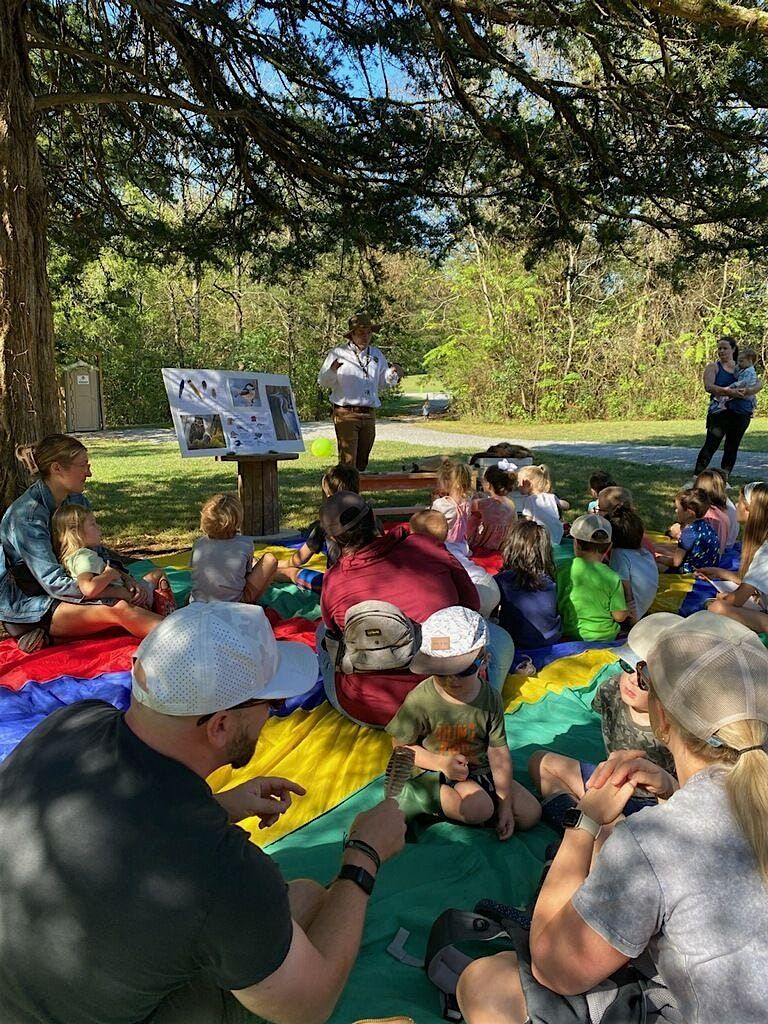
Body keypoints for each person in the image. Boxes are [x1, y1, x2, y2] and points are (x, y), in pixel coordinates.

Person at [0, 601, 406, 1024]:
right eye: (271, 702)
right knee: (304, 900)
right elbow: (309, 1005)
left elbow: (111, 825)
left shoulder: (72, 722)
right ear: (222, 726)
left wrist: (221, 807)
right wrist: (363, 856)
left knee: (287, 904)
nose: (275, 711)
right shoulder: (223, 871)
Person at [456, 617, 768, 1024]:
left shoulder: (656, 842)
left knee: (485, 983)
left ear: (662, 718)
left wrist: (583, 823)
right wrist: (674, 791)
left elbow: (553, 968)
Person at [317, 492, 515, 726]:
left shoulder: (334, 580)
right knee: (499, 639)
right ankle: (483, 700)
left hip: (366, 709)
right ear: (373, 517)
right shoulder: (426, 547)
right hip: (449, 704)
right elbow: (470, 604)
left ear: (332, 538)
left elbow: (334, 638)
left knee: (323, 631)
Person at [387, 607, 541, 839]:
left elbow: (498, 752)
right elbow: (400, 747)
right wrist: (441, 763)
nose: (452, 680)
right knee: (480, 808)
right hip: (438, 771)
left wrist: (506, 804)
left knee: (530, 814)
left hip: (480, 770)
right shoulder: (422, 699)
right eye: (442, 672)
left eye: (464, 670)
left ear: (484, 660)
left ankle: (483, 809)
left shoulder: (490, 698)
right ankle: (418, 795)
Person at [0, 434, 155, 652]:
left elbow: (96, 552)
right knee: (120, 609)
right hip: (33, 607)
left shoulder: (76, 500)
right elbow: (54, 583)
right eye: (82, 465)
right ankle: (192, 641)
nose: (89, 473)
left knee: (147, 589)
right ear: (57, 469)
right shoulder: (26, 516)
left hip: (74, 590)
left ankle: (52, 638)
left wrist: (124, 577)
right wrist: (113, 591)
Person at [530, 613, 684, 831]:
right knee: (540, 762)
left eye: (645, 680)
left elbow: (686, 793)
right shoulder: (611, 690)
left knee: (610, 832)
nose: (632, 679)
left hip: (656, 806)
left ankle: (585, 827)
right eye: (627, 666)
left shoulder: (677, 725)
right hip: (609, 785)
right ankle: (584, 823)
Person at [51, 504, 166, 637]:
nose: (98, 528)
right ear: (76, 532)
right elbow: (88, 588)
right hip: (132, 599)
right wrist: (109, 574)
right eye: (92, 524)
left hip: (125, 595)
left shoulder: (73, 557)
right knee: (158, 575)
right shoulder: (84, 557)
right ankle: (171, 615)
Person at [317, 313, 402, 471]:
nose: (366, 337)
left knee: (362, 460)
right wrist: (332, 370)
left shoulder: (376, 354)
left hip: (369, 413)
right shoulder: (338, 353)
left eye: (369, 332)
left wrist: (395, 374)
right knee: (348, 460)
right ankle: (346, 493)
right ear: (352, 335)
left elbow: (383, 382)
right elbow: (323, 381)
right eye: (361, 333)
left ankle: (354, 487)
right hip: (346, 413)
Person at [275, 464, 360, 591]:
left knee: (290, 572)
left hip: (339, 586)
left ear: (329, 495)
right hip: (372, 578)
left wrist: (275, 566)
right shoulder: (370, 519)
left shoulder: (325, 525)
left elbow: (298, 560)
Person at [699, 481, 768, 634]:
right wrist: (719, 572)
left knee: (716, 607)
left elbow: (737, 599)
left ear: (749, 509)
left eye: (739, 501)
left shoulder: (765, 551)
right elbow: (749, 582)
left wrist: (725, 598)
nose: (736, 505)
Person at [410, 510, 501, 619]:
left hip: (476, 590)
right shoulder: (452, 545)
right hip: (488, 581)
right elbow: (467, 550)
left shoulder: (435, 555)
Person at [694, 335, 762, 479]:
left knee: (732, 446)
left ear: (733, 349)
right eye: (719, 349)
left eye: (725, 348)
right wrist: (728, 391)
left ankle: (725, 479)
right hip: (720, 413)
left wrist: (750, 391)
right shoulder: (713, 367)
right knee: (711, 445)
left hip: (741, 413)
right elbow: (708, 386)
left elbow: (758, 383)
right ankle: (696, 477)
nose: (721, 351)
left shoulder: (743, 366)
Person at [190, 494, 278, 604]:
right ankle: (251, 603)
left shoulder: (198, 544)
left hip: (199, 602)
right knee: (270, 559)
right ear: (237, 519)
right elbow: (245, 576)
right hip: (235, 603)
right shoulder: (245, 544)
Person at [556, 514, 628, 641]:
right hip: (605, 637)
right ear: (609, 547)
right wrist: (627, 611)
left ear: (576, 543)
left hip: (569, 635)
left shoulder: (562, 569)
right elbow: (619, 616)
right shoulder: (612, 577)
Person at [494, 519, 561, 649]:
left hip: (515, 645)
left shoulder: (501, 581)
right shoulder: (551, 581)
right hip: (550, 643)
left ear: (510, 547)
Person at [605, 503, 659, 622]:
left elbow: (624, 585)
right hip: (646, 603)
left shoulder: (619, 554)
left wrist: (632, 616)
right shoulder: (644, 552)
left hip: (633, 610)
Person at [654, 487, 720, 573]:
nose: (676, 511)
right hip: (708, 565)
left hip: (692, 569)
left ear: (689, 513)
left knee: (653, 564)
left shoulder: (688, 533)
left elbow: (676, 562)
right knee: (662, 548)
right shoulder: (706, 525)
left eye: (678, 508)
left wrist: (658, 558)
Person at [467, 466, 517, 555]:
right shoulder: (511, 504)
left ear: (488, 485)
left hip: (481, 548)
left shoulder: (480, 504)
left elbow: (467, 509)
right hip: (503, 549)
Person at [516, 465, 568, 546]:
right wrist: (563, 503)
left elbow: (528, 520)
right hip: (557, 532)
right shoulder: (551, 496)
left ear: (526, 483)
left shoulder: (530, 500)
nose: (517, 486)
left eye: (518, 482)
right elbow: (565, 505)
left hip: (540, 536)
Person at [430, 460, 474, 553]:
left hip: (445, 548)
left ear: (446, 482)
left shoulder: (441, 504)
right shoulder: (467, 502)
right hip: (462, 546)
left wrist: (433, 502)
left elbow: (432, 524)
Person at [694, 469, 732, 553]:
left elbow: (693, 542)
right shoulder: (722, 512)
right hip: (717, 557)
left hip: (702, 560)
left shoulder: (706, 514)